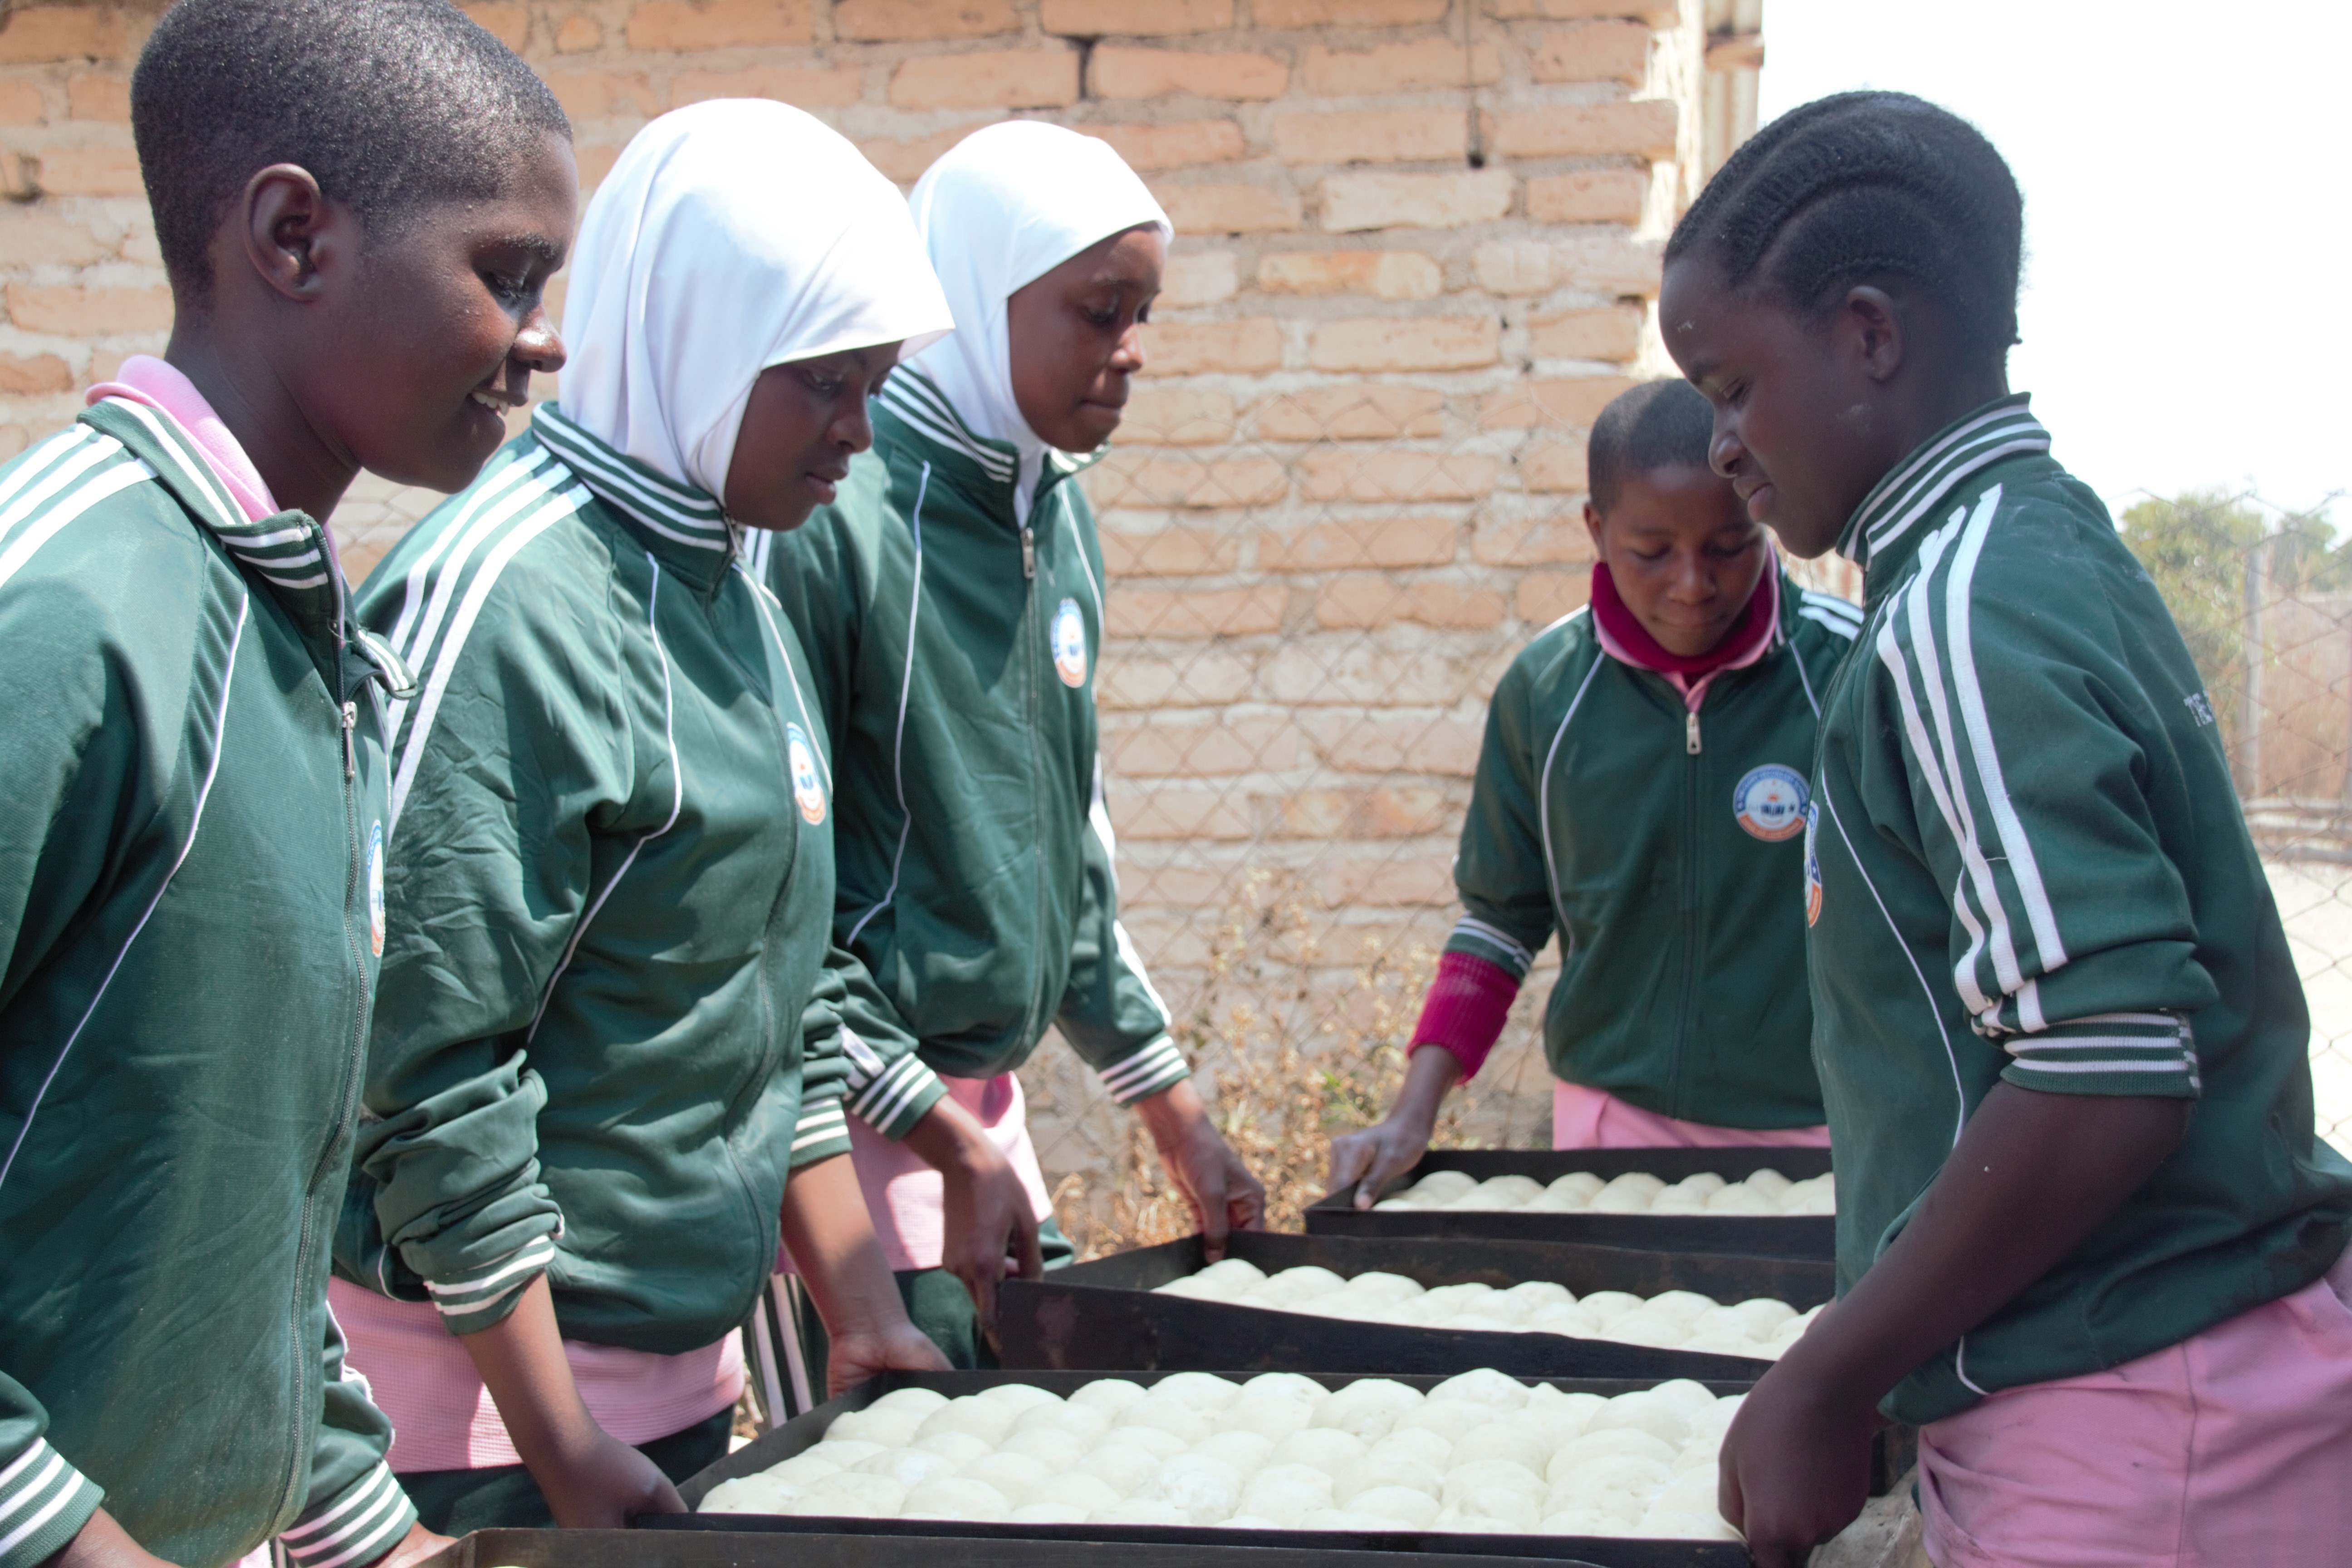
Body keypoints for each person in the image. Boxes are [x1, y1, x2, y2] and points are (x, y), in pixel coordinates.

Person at [1658, 90, 2352, 1568]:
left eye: (1731, 387)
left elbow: (2107, 1069)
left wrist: (1834, 1369)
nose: (1721, 446)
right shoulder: (2042, 543)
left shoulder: (1953, 618)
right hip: (2175, 1367)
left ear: (1867, 335)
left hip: (2127, 1405)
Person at [331, 101, 956, 1536]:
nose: (861, 431)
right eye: (826, 382)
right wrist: (556, 1438)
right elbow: (421, 1063)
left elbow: (774, 1003)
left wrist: (860, 1308)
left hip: (666, 1393)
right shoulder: (512, 603)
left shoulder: (737, 593)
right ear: (702, 342)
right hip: (483, 1426)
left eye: (877, 383)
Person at [0, 2, 573, 1565]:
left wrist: (356, 1522)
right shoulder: (67, 620)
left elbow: (237, 1203)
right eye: (506, 274)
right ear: (292, 237)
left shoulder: (300, 623)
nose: (544, 340)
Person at [766, 120, 1265, 1366]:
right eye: (1099, 312)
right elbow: (771, 913)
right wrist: (932, 1124)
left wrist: (1178, 1118)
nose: (1131, 350)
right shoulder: (839, 516)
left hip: (982, 1135)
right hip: (841, 1136)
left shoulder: (1053, 512)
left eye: (1144, 314)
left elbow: (1067, 863)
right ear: (971, 298)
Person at [1327, 378, 1857, 1205]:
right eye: (1652, 551)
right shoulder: (1546, 694)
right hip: (1616, 1129)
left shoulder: (1849, 672)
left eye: (1730, 546)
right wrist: (1412, 1113)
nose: (1693, 584)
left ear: (1767, 517)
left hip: (1830, 1124)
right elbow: (1500, 921)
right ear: (1596, 531)